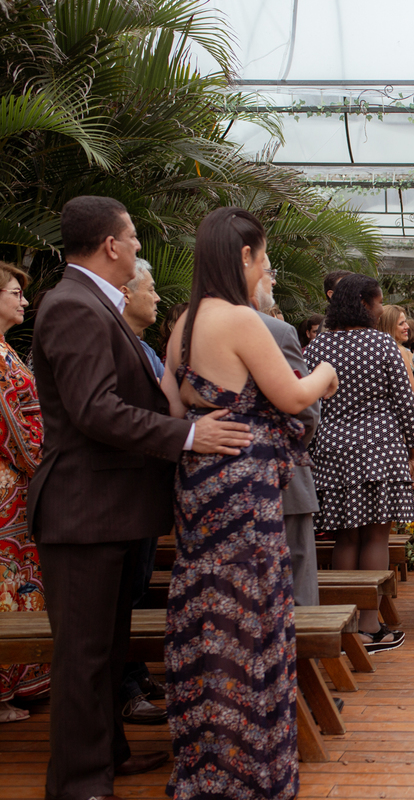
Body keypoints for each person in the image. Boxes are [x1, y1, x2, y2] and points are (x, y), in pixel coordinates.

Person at [30, 196, 252, 800]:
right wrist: (189, 435)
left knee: (106, 650)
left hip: (109, 510)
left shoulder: (93, 304)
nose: (136, 247)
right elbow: (95, 410)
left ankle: (106, 756)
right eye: (131, 237)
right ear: (111, 245)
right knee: (83, 656)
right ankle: (79, 783)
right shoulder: (72, 306)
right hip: (83, 512)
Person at [160, 207, 337, 800]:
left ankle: (207, 763)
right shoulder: (240, 319)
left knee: (208, 615)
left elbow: (173, 411)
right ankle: (251, 769)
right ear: (244, 256)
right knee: (250, 613)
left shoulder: (183, 325)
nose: (267, 267)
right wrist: (325, 373)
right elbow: (292, 395)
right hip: (245, 487)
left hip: (197, 485)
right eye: (264, 256)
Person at [305, 275, 414, 652]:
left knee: (345, 535)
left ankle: (346, 626)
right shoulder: (381, 343)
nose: (380, 308)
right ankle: (371, 627)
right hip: (379, 448)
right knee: (375, 535)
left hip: (333, 450)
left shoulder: (319, 345)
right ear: (362, 303)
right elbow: (405, 402)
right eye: (377, 301)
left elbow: (309, 403)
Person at [115, 258, 169, 727]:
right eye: (150, 289)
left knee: (137, 586)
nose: (157, 297)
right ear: (126, 292)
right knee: (123, 595)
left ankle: (134, 674)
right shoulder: (115, 345)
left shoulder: (144, 348)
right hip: (121, 489)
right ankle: (125, 689)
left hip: (145, 484)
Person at [255, 269, 322, 608]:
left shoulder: (189, 327)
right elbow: (306, 411)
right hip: (281, 472)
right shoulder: (276, 332)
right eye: (268, 271)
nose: (274, 281)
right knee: (297, 580)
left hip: (216, 482)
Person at [0, 261, 48, 725]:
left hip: (15, 482)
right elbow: (10, 423)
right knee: (6, 579)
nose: (24, 301)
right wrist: (40, 462)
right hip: (9, 478)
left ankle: (18, 682)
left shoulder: (6, 349)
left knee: (15, 577)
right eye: (15, 293)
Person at [378, 304, 414, 418]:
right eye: (401, 324)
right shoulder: (398, 350)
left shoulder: (379, 350)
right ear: (388, 326)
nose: (407, 326)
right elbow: (413, 391)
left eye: (406, 322)